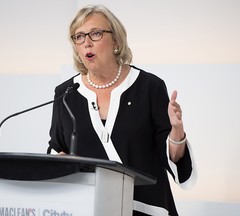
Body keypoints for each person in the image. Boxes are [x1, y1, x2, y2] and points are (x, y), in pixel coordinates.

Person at [48, 4, 196, 216]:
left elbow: (172, 157)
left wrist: (177, 132)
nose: (86, 42)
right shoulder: (67, 93)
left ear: (116, 40)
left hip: (147, 210)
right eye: (79, 37)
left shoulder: (149, 87)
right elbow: (57, 147)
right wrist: (58, 160)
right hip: (90, 208)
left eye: (96, 34)